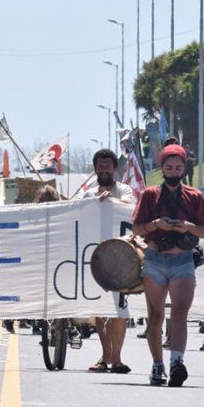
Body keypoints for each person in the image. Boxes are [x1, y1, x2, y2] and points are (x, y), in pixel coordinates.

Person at [132, 144, 204, 387]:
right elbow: (137, 228)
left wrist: (184, 226)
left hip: (183, 260)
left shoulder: (195, 196)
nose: (173, 171)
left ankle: (177, 361)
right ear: (162, 168)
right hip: (155, 259)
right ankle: (157, 365)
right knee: (155, 316)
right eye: (169, 167)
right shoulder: (149, 195)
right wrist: (157, 224)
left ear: (184, 168)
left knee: (180, 313)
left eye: (178, 167)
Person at [81, 149, 137, 374]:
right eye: (100, 166)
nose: (104, 170)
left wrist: (109, 200)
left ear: (115, 169)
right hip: (96, 259)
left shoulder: (124, 190)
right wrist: (96, 201)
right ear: (95, 169)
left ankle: (117, 357)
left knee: (120, 311)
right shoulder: (88, 195)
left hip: (121, 258)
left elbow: (126, 205)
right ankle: (106, 357)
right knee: (101, 310)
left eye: (108, 166)